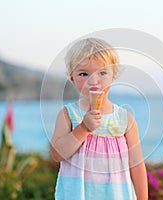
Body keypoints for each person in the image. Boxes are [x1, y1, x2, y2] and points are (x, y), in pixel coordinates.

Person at [50, 38, 148, 200]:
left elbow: (137, 165)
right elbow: (57, 154)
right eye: (83, 74)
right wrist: (83, 129)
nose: (93, 81)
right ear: (72, 77)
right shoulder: (68, 114)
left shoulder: (125, 119)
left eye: (102, 73)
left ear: (113, 75)